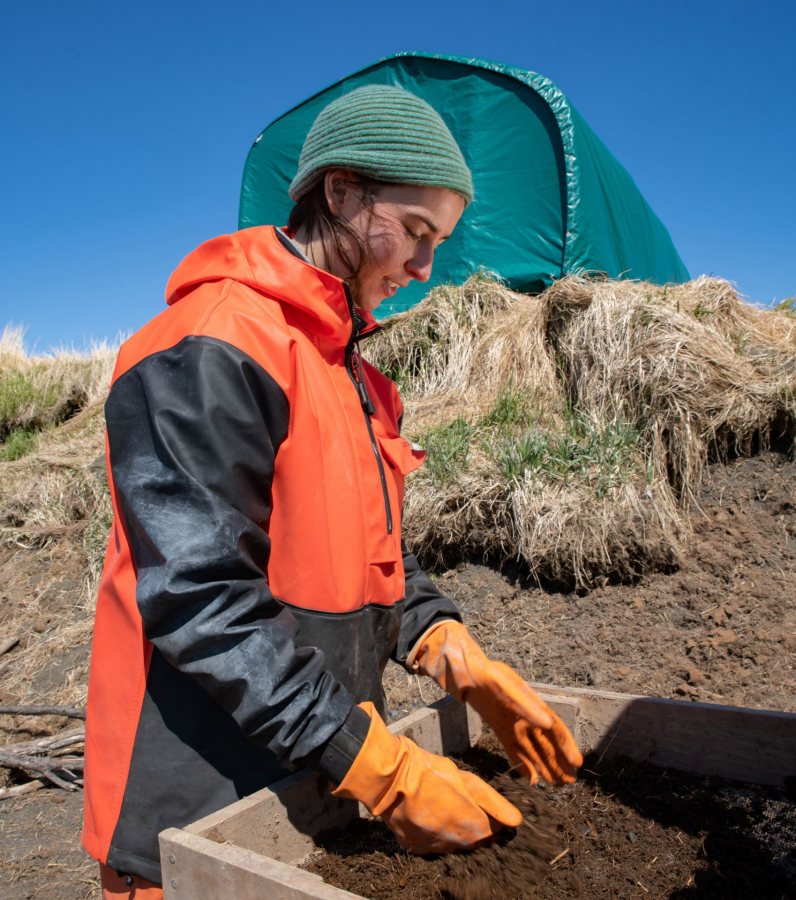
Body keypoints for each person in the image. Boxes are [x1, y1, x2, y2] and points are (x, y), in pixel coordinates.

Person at [82, 85, 583, 897]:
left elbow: (371, 555)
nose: (424, 269)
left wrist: (449, 647)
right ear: (341, 192)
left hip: (312, 782)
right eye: (416, 233)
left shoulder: (355, 378)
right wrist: (380, 769)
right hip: (196, 800)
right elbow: (201, 598)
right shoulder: (210, 345)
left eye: (439, 243)